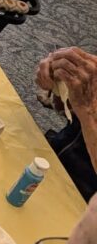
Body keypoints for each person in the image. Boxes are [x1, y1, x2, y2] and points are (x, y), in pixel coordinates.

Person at [36, 46, 97, 201]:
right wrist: (58, 84)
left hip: (83, 202)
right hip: (52, 158)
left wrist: (88, 112)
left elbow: (86, 111)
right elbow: (69, 112)